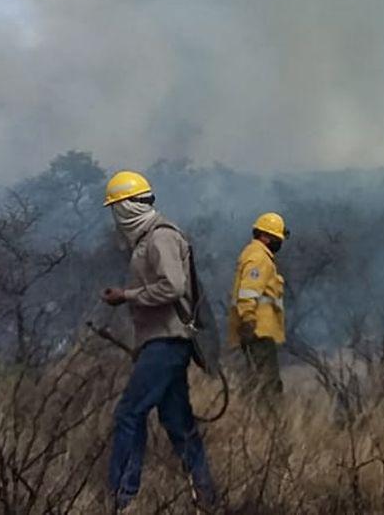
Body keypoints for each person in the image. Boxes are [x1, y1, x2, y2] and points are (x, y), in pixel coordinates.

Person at [100, 170, 218, 512]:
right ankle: (206, 496)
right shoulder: (146, 239)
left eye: (116, 208)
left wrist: (127, 295)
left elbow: (173, 286)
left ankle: (121, 498)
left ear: (126, 208)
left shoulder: (159, 238)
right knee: (177, 423)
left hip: (167, 342)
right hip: (162, 342)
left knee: (128, 414)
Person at [228, 212, 288, 400]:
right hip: (258, 330)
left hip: (258, 330)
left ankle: (254, 421)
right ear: (264, 236)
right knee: (267, 384)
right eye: (276, 238)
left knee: (258, 381)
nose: (279, 242)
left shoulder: (256, 255)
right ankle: (269, 424)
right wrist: (249, 320)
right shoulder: (259, 258)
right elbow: (248, 292)